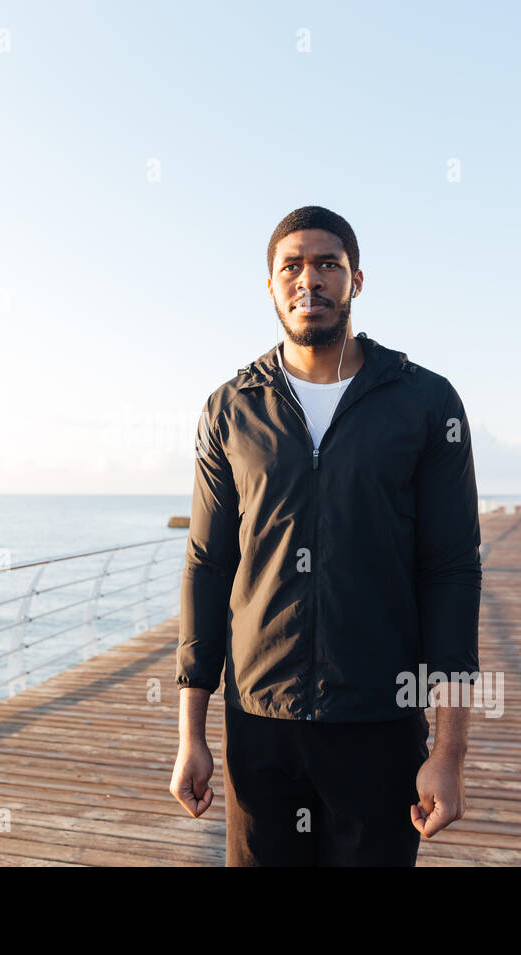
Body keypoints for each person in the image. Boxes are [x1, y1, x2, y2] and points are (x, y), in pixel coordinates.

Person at [168, 205, 483, 866]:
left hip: (380, 722)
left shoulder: (424, 403)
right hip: (260, 726)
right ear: (271, 286)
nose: (309, 279)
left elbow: (451, 572)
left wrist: (448, 753)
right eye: (292, 266)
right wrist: (190, 733)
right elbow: (207, 564)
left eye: (327, 264)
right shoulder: (232, 409)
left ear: (356, 280)